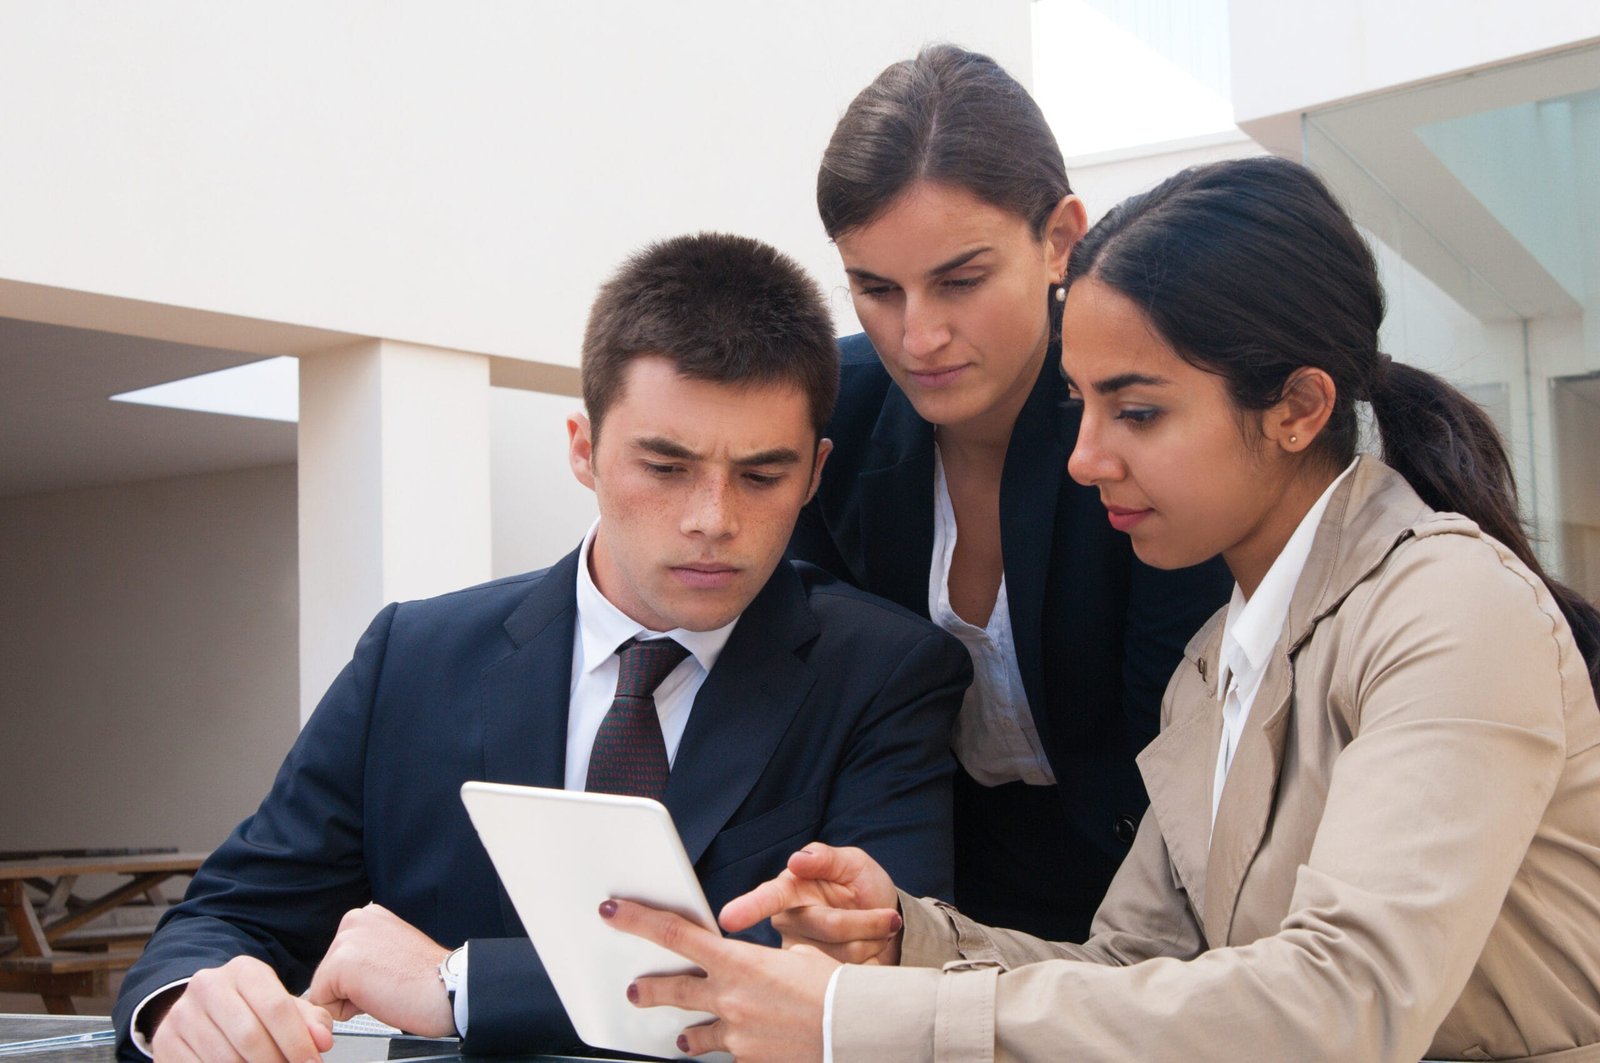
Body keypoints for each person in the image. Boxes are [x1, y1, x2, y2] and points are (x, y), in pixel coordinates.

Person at [605, 158, 1600, 1062]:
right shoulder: (1218, 662)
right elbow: (1130, 962)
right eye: (1080, 405)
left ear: (1297, 407)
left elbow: (1343, 1000)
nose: (1084, 459)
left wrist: (850, 1020)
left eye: (1137, 410)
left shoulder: (1450, 611)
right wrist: (911, 939)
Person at [113, 233, 972, 1062]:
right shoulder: (410, 658)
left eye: (760, 474)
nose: (713, 518)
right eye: (665, 467)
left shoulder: (886, 675)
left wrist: (462, 982)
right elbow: (231, 914)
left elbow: (849, 995)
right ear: (584, 450)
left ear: (816, 475)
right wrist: (190, 1003)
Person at [788, 44, 1232, 939]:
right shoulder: (834, 411)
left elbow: (1187, 744)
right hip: (929, 893)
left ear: (1061, 237)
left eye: (961, 280)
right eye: (876, 289)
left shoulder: (1146, 417)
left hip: (1170, 896)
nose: (918, 335)